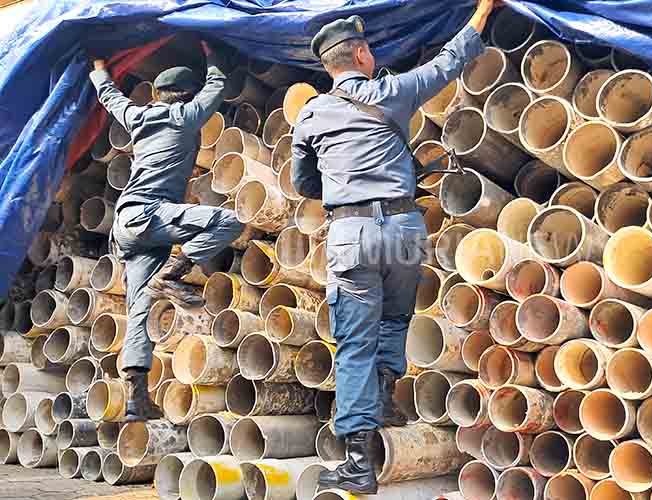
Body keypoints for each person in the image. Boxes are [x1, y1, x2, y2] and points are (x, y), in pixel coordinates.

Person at [292, 0, 495, 493]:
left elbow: (303, 183)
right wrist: (483, 11)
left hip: (352, 235)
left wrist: (344, 189)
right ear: (361, 54)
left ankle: (359, 464)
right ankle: (382, 400)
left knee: (355, 343)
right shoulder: (394, 91)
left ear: (329, 66)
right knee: (394, 320)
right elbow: (449, 60)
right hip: (404, 229)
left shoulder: (312, 114)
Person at [90, 41, 244, 422]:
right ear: (184, 96)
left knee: (139, 310)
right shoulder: (185, 115)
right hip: (153, 214)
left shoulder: (137, 117)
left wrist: (98, 70)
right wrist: (212, 52)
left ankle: (135, 399)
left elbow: (111, 98)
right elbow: (218, 85)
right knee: (228, 222)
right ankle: (171, 275)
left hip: (126, 224)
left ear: (156, 94)